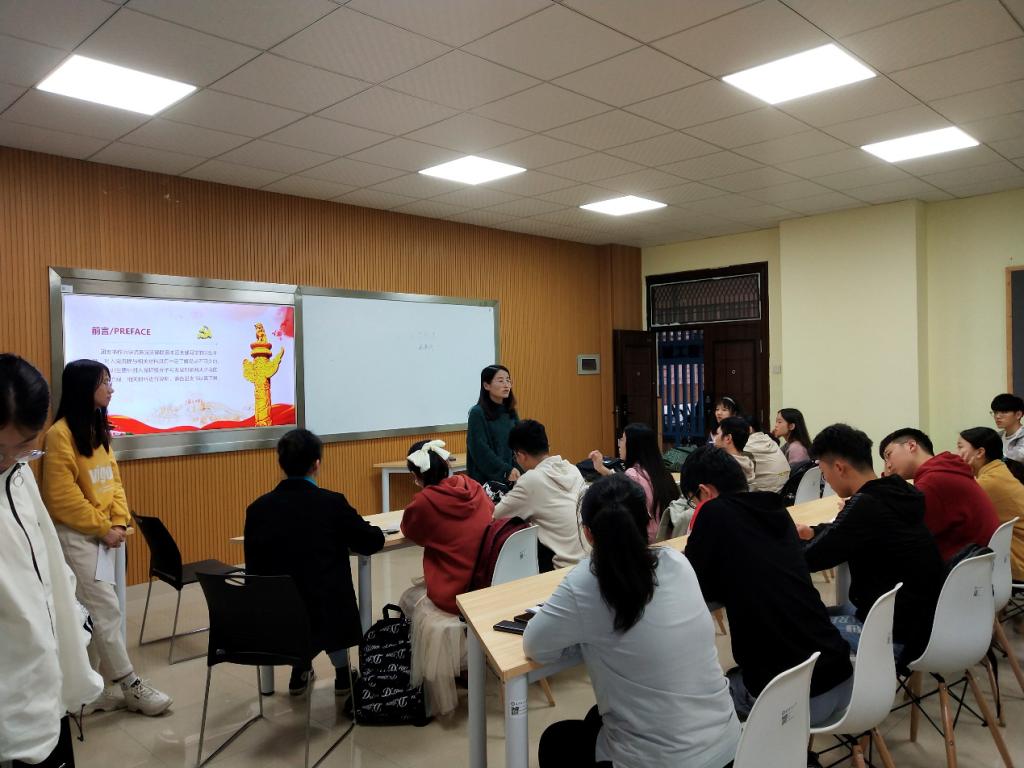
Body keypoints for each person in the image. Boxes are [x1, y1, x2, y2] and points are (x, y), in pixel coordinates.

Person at [524, 474, 739, 768]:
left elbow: (535, 646)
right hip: (729, 746)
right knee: (594, 717)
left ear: (588, 533)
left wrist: (584, 640)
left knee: (556, 740)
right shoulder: (677, 562)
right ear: (648, 523)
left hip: (665, 761)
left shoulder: (584, 583)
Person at [680, 446, 853, 727]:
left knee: (706, 697)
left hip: (794, 702)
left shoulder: (713, 512)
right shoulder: (775, 509)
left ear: (705, 491)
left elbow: (696, 586)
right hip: (843, 679)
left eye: (692, 501)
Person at [40, 360, 172, 716]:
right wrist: (103, 528)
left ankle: (89, 690)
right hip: (78, 538)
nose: (111, 388)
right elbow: (61, 498)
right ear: (84, 387)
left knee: (95, 613)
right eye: (104, 382)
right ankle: (130, 685)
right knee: (105, 611)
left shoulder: (97, 429)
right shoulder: (59, 435)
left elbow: (114, 483)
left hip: (106, 537)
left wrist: (118, 523)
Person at [1, 355, 102, 767]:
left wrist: (72, 619)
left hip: (47, 685)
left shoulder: (18, 472)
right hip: (12, 701)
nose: (12, 457)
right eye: (3, 448)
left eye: (26, 446)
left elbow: (44, 558)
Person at [245, 429, 385, 696]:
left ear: (281, 464)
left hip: (277, 618)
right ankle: (343, 674)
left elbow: (254, 570)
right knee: (326, 591)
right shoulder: (331, 503)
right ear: (316, 464)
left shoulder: (257, 510)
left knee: (299, 590)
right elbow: (371, 542)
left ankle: (299, 670)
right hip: (328, 614)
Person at [797, 424, 944, 665]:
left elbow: (809, 558)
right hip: (924, 624)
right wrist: (813, 531)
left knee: (789, 626)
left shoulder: (866, 505)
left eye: (824, 473)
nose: (827, 481)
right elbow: (848, 531)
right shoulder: (897, 491)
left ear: (839, 468)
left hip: (892, 636)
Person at [399, 439, 492, 715]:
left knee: (409, 600)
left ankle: (454, 667)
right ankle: (466, 664)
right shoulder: (473, 487)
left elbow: (410, 531)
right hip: (485, 582)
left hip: (454, 590)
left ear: (416, 476)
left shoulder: (424, 502)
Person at [880, 427, 1000, 561]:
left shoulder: (933, 482)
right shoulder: (945, 470)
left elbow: (903, 536)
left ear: (911, 445)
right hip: (980, 562)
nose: (888, 465)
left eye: (888, 455)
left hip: (963, 565)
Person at [494, 419, 587, 571]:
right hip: (591, 563)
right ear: (547, 446)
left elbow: (495, 516)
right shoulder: (572, 469)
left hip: (562, 568)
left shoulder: (531, 480)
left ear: (521, 455)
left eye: (515, 457)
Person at [589, 422, 679, 542]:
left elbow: (626, 482)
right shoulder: (662, 472)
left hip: (647, 540)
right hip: (669, 538)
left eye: (622, 439)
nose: (619, 444)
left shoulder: (633, 474)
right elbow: (624, 480)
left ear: (633, 445)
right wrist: (601, 468)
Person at [957, 427, 1024, 580]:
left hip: (1017, 561)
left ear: (980, 452)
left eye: (960, 447)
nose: (957, 453)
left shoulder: (989, 482)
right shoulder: (998, 471)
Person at [466, 365, 520, 486]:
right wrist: (505, 470)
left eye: (508, 380)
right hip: (486, 481)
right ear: (486, 385)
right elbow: (480, 450)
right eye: (501, 381)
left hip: (512, 476)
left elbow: (519, 442)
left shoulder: (510, 411)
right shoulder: (477, 413)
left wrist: (517, 468)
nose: (506, 385)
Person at [714, 416, 789, 493]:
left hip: (768, 494)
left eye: (717, 434)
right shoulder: (769, 440)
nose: (714, 438)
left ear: (749, 429)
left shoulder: (747, 448)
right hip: (783, 490)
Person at [991, 393, 1024, 463]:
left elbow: (1017, 457)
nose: (997, 416)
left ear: (1018, 415)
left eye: (1004, 412)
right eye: (995, 412)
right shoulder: (997, 436)